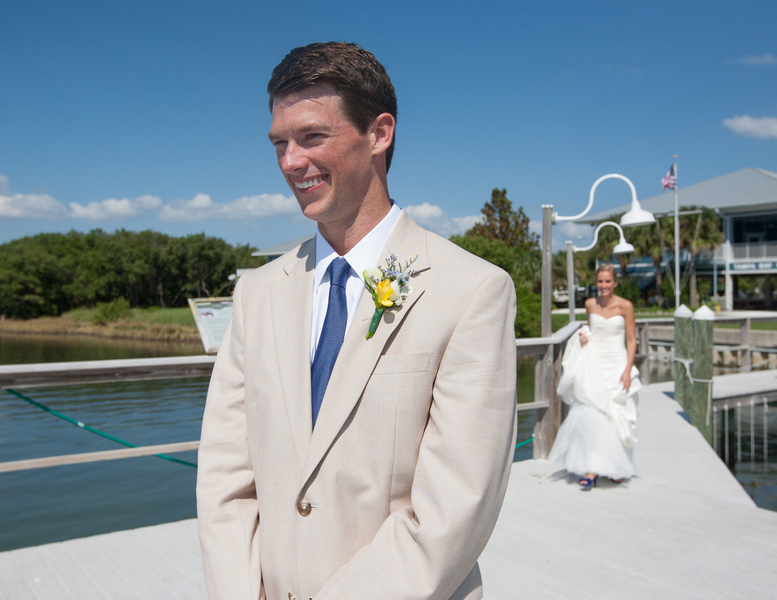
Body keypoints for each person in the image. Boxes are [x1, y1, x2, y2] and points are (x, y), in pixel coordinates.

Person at [196, 42, 517, 600]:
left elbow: (455, 508)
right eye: (280, 143)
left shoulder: (473, 291)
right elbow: (226, 478)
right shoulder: (256, 293)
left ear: (379, 133)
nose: (290, 162)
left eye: (312, 137)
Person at [548, 263, 641, 490]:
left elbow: (631, 340)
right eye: (600, 281)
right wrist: (584, 338)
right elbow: (591, 330)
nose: (603, 285)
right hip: (594, 364)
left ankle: (616, 467)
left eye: (608, 281)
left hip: (617, 365)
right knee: (592, 415)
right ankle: (592, 469)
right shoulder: (590, 304)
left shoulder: (625, 306)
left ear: (615, 282)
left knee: (615, 416)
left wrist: (627, 369)